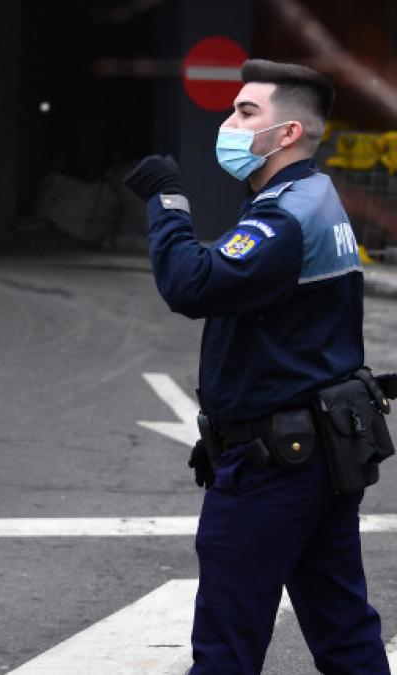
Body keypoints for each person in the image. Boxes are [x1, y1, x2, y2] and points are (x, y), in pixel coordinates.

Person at [123, 59, 390, 674]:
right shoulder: (311, 197)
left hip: (277, 461)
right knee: (343, 630)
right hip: (317, 449)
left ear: (288, 132)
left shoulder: (286, 215)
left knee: (226, 643)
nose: (230, 123)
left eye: (247, 112)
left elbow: (192, 285)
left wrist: (168, 200)